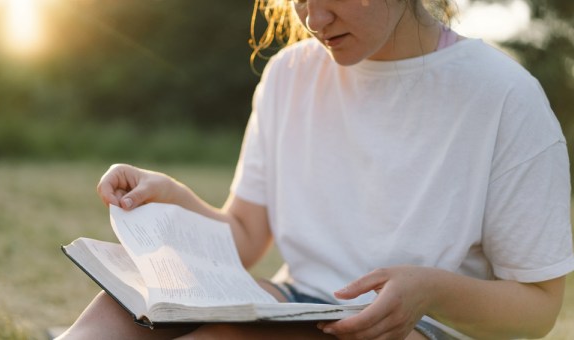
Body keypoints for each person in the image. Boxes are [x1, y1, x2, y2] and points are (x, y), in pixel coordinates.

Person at [57, 0, 574, 339]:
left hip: (419, 329)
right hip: (294, 304)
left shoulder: (505, 97)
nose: (313, 18)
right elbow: (243, 235)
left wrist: (432, 290)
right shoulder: (289, 74)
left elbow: (539, 308)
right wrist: (173, 199)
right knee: (122, 309)